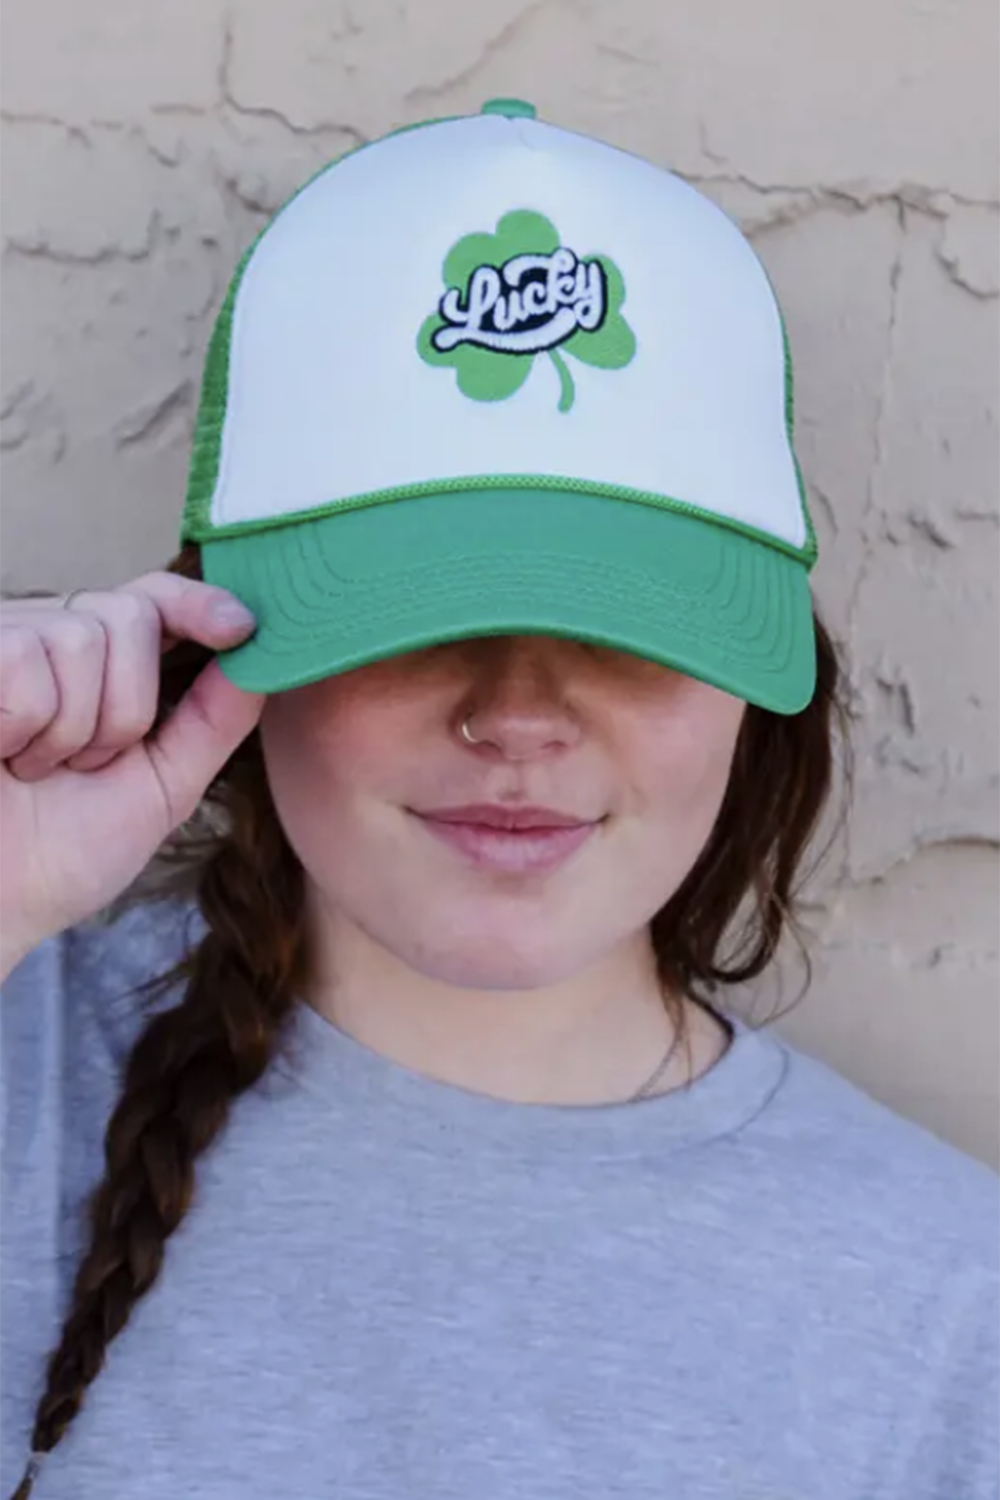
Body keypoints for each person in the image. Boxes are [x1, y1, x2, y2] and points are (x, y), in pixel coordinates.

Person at [2, 98, 999, 1500]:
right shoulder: (23, 1072)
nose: (517, 717)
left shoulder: (952, 1315)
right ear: (213, 637)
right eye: (412, 618)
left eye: (627, 626)